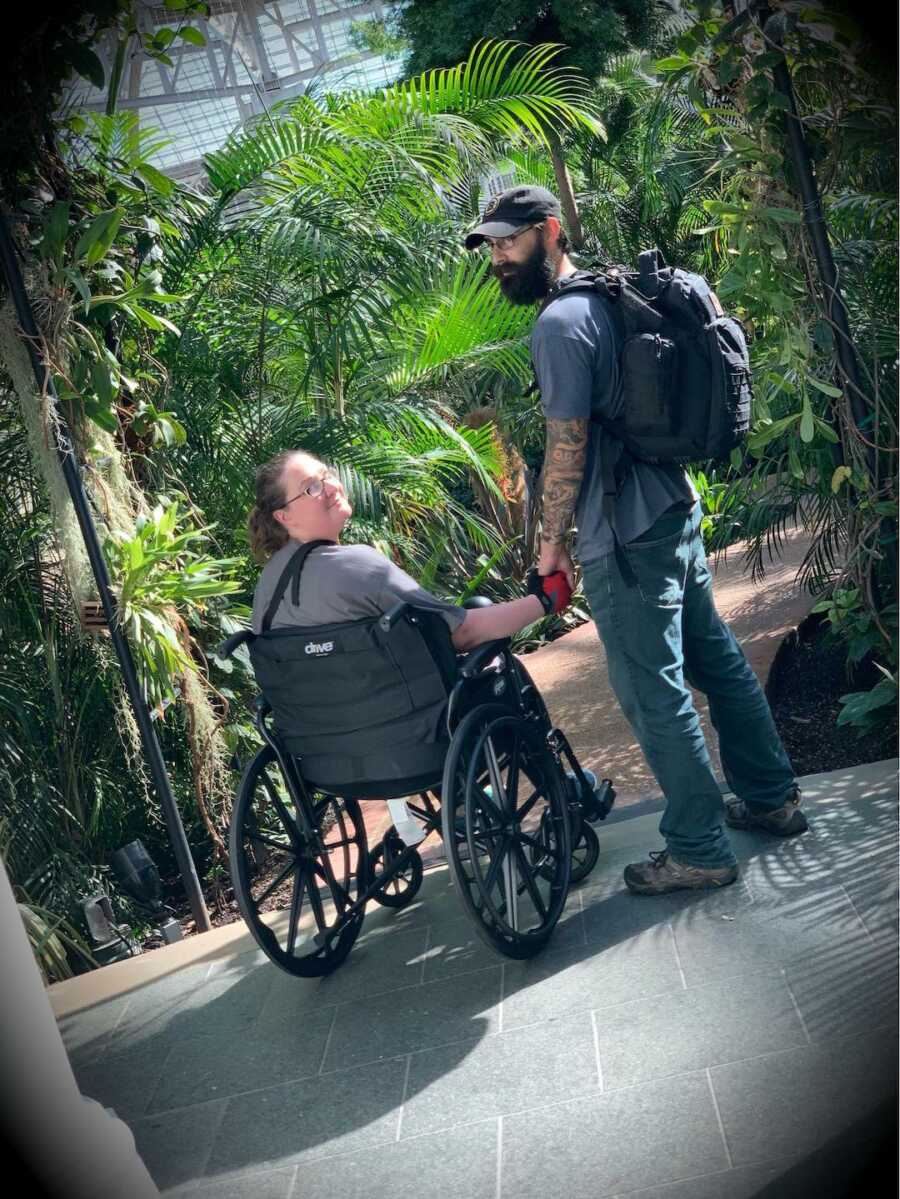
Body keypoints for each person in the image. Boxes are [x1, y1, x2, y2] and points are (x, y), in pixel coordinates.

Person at [464, 185, 807, 896]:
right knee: (716, 662)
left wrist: (551, 544)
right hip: (672, 509)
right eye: (490, 246)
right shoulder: (610, 292)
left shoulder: (560, 323)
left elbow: (567, 447)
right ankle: (772, 798)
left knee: (654, 694)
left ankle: (698, 846)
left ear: (549, 232)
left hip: (624, 533)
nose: (497, 256)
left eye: (508, 241)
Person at [248, 449, 570, 646]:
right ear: (284, 516)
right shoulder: (358, 567)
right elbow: (462, 633)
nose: (331, 487)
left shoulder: (267, 592)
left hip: (328, 751)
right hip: (410, 733)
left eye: (327, 475)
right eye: (311, 488)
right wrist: (544, 601)